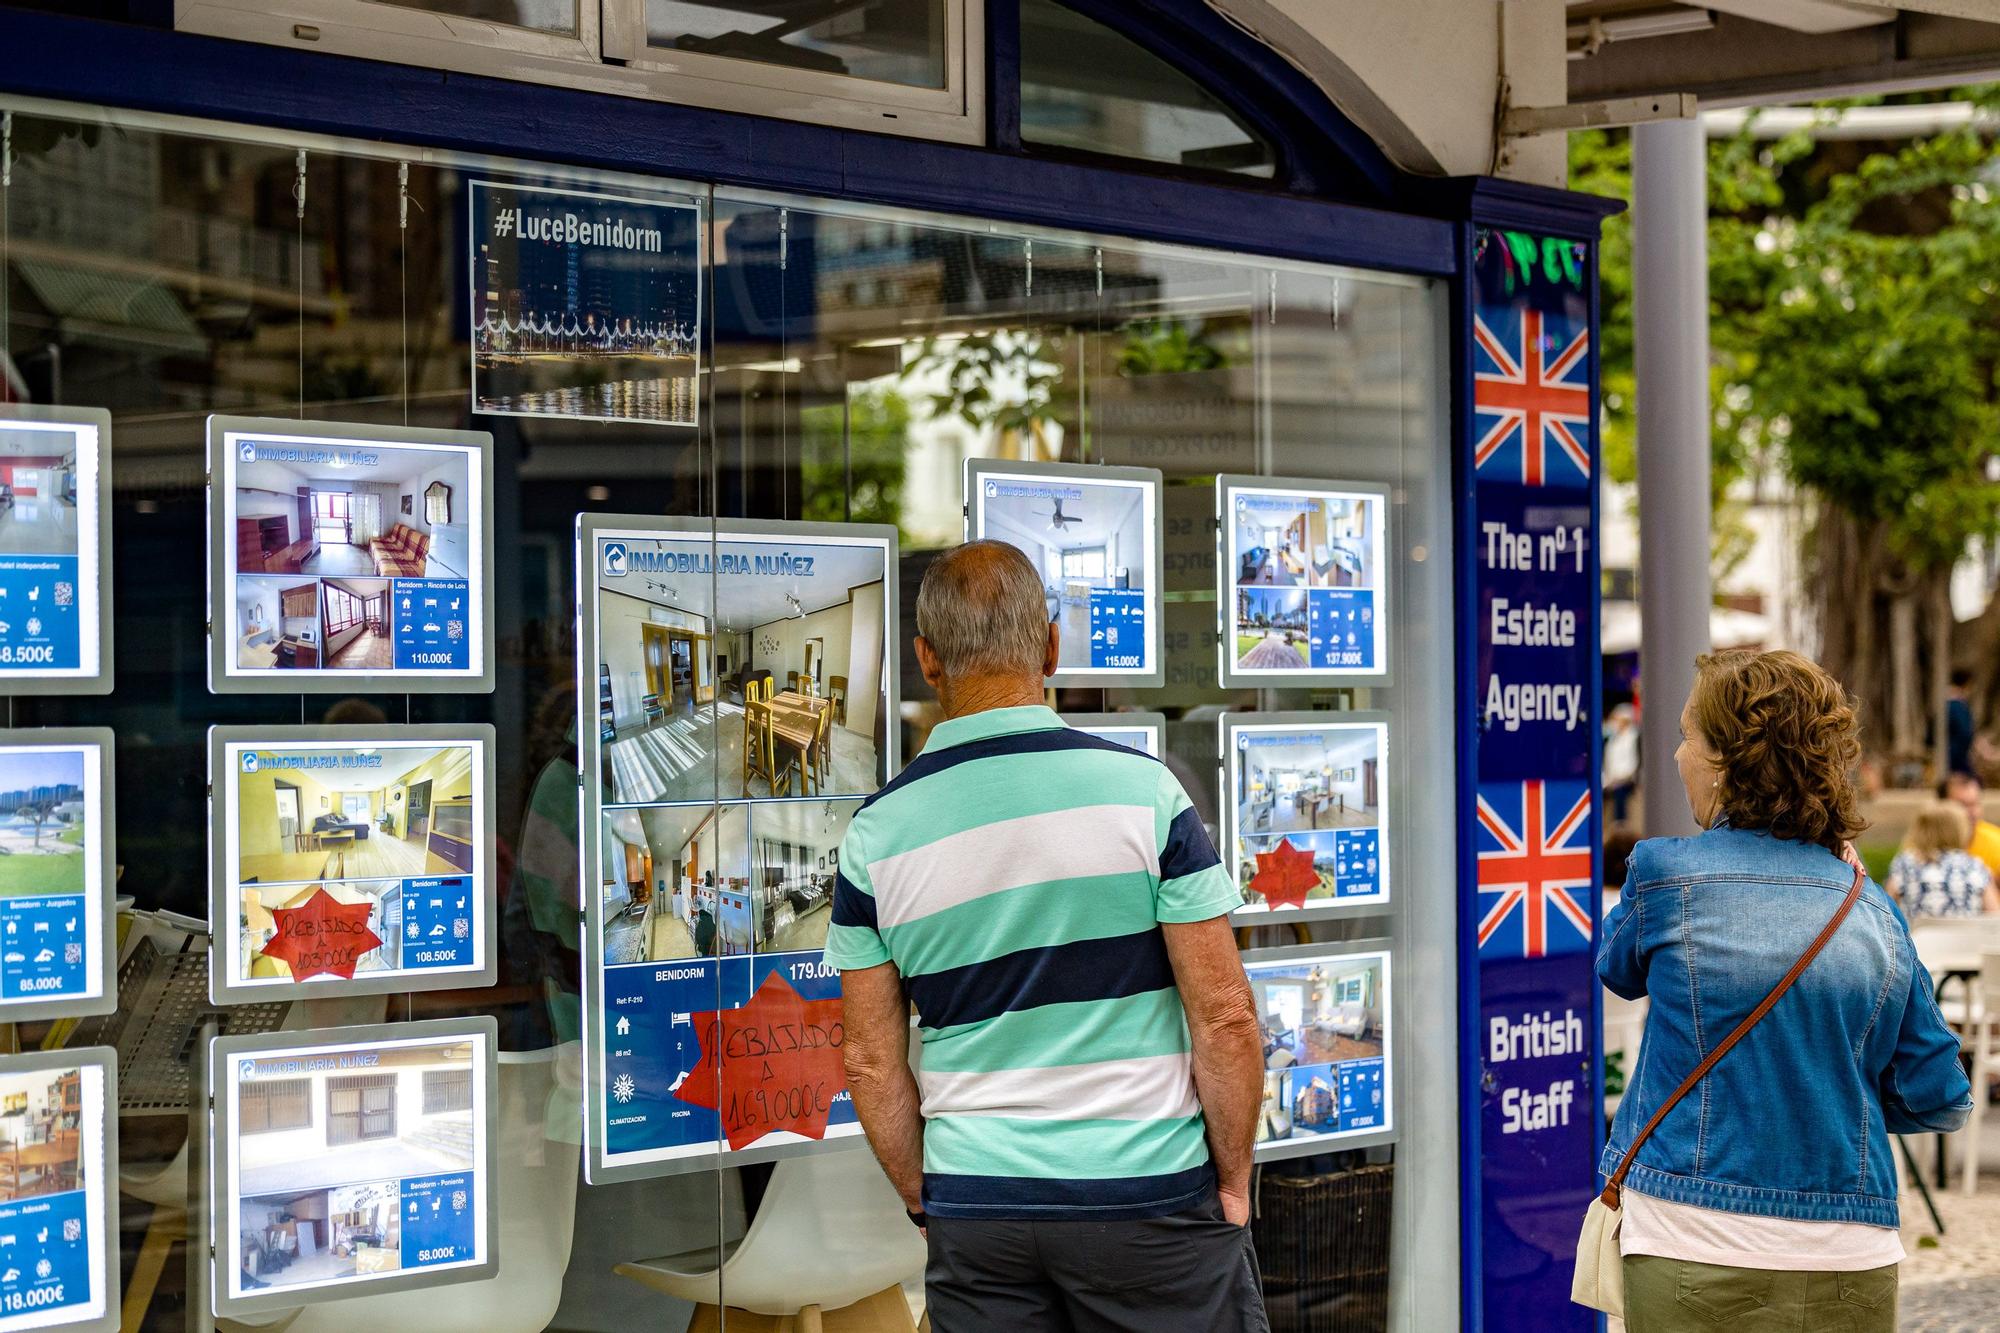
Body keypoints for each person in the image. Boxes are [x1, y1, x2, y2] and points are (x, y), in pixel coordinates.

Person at [830, 540, 1268, 1333]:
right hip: (1145, 1196)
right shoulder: (1147, 796)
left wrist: (925, 1192)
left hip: (979, 1211)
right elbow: (1225, 1015)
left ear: (928, 660)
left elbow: (867, 1058)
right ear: (1052, 646)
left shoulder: (876, 835)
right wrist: (1232, 1177)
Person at [1599, 649, 1970, 1331]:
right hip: (1848, 1247)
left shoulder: (1664, 876)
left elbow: (1616, 969)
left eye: (1687, 734)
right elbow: (1941, 1094)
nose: (1678, 754)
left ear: (1723, 760)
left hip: (1689, 1235)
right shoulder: (1871, 907)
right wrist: (1828, 1093)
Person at [1888, 802, 1999, 918]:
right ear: (1960, 831)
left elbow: (1885, 911)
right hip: (1967, 935)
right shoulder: (1975, 867)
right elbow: (1994, 917)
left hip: (1918, 934)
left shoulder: (1904, 865)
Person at [1939, 770, 2000, 880]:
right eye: (1962, 805)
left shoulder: (1996, 841)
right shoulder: (1926, 842)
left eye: (1975, 804)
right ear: (1941, 806)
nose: (1972, 812)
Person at [1603, 702, 1640, 826]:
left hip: (1626, 780)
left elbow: (1632, 764)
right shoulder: (1613, 740)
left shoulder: (1633, 738)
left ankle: (1620, 826)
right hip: (1611, 780)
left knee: (1620, 792)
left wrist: (1619, 779)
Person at [1947, 668, 1975, 778]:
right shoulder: (1956, 705)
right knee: (1971, 784)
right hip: (1956, 753)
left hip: (1951, 752)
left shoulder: (1947, 702)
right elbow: (1965, 732)